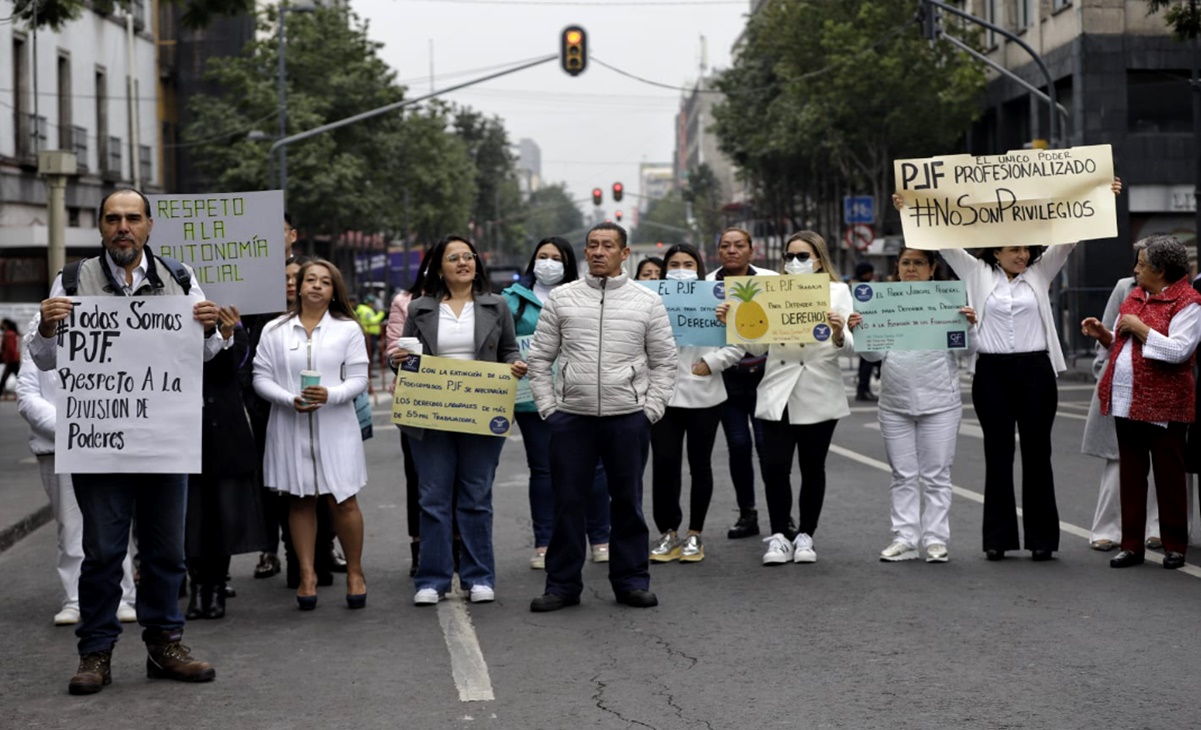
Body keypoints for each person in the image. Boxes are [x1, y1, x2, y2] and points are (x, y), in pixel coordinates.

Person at [29, 187, 221, 694]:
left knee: (165, 552)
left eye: (132, 218)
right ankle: (95, 653)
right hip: (101, 443)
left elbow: (205, 356)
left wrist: (210, 329)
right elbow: (46, 360)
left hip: (163, 441)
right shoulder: (72, 279)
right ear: (100, 227)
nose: (123, 227)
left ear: (149, 226)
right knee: (102, 551)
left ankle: (165, 645)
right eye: (113, 218)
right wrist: (48, 329)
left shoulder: (179, 278)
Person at [892, 178, 1121, 562]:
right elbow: (943, 240)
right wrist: (908, 207)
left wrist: (1101, 196)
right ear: (995, 252)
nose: (1022, 254)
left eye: (1026, 248)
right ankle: (997, 539)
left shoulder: (1040, 271)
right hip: (992, 374)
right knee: (997, 454)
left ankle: (1042, 539)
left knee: (1037, 453)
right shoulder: (977, 273)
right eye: (1014, 249)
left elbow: (1070, 238)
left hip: (1035, 372)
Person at [527, 222, 677, 612]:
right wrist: (549, 409)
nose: (598, 252)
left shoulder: (646, 301)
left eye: (607, 246)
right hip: (571, 418)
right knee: (567, 503)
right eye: (592, 245)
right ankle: (561, 585)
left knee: (627, 502)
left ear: (624, 253)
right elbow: (539, 360)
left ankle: (631, 581)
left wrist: (651, 410)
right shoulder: (562, 299)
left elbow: (664, 362)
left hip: (628, 416)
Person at [392, 235, 525, 606]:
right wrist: (397, 362)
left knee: (475, 498)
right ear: (439, 267)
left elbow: (509, 349)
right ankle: (432, 580)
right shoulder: (420, 308)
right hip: (432, 414)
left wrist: (513, 365)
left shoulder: (496, 306)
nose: (464, 262)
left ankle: (478, 576)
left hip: (481, 414)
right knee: (433, 498)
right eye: (454, 257)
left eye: (469, 256)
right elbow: (404, 355)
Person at [719, 231, 853, 566]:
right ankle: (779, 534)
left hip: (819, 387)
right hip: (778, 388)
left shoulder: (838, 292)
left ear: (819, 259)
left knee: (812, 467)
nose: (794, 262)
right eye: (789, 256)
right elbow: (758, 346)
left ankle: (806, 533)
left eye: (803, 256)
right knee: (776, 467)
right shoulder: (770, 292)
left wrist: (838, 334)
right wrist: (734, 324)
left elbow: (852, 344)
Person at [254, 259, 370, 610]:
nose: (317, 286)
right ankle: (306, 575)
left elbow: (359, 379)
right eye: (311, 280)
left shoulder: (347, 329)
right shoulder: (275, 329)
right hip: (289, 425)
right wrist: (288, 399)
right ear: (299, 286)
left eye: (325, 282)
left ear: (335, 290)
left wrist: (331, 395)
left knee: (343, 499)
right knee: (300, 499)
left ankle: (354, 572)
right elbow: (260, 378)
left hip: (337, 427)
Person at [1083, 234, 1201, 570]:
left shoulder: (1188, 302)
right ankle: (1131, 545)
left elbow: (1179, 350)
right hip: (1126, 400)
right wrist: (1104, 335)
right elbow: (1122, 343)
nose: (1136, 269)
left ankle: (1174, 544)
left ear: (1161, 270)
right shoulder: (1134, 296)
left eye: (1143, 264)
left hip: (1165, 405)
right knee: (1131, 476)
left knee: (1169, 476)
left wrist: (1141, 328)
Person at [852, 248, 976, 563]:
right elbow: (872, 356)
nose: (911, 268)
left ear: (932, 268)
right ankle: (905, 538)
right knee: (902, 474)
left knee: (936, 475)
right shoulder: (883, 303)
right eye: (906, 263)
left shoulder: (950, 302)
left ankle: (935, 540)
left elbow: (966, 353)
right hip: (894, 403)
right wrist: (860, 332)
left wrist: (971, 326)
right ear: (897, 267)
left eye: (919, 262)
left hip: (940, 404)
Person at [501, 237, 611, 570]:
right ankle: (545, 543)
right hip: (530, 399)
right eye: (542, 256)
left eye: (555, 258)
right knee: (544, 471)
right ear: (532, 262)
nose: (548, 262)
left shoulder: (585, 293)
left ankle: (601, 538)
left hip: (578, 394)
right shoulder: (509, 300)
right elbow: (501, 344)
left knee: (593, 468)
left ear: (568, 264)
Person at [16, 341, 138, 626]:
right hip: (56, 445)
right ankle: (74, 598)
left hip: (104, 440)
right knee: (69, 525)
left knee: (112, 521)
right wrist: (69, 427)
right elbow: (27, 393)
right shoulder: (40, 328)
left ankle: (121, 595)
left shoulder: (112, 317)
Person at [648, 244, 744, 564]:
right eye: (673, 263)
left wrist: (712, 362)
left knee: (700, 465)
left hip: (705, 394)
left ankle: (694, 534)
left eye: (688, 263)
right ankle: (668, 532)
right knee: (664, 465)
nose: (680, 268)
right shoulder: (650, 300)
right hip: (663, 395)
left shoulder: (716, 296)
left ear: (699, 267)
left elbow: (738, 344)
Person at [185, 305, 268, 620]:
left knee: (224, 515)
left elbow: (235, 372)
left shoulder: (237, 328)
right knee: (191, 517)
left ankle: (217, 586)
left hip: (226, 435)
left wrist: (228, 334)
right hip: (184, 434)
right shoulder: (171, 323)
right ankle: (197, 587)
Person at [706, 228, 777, 540]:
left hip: (766, 377)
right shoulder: (705, 286)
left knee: (767, 448)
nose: (731, 250)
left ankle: (780, 516)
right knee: (738, 445)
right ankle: (747, 513)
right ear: (718, 251)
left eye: (738, 245)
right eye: (725, 246)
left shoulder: (772, 282)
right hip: (728, 381)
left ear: (752, 250)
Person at [1081, 274, 1159, 551]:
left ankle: (1158, 527)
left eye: (1145, 263)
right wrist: (1102, 366)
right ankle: (1107, 529)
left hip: (1164, 382)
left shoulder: (1182, 294)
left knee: (1165, 456)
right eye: (1138, 262)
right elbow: (1107, 334)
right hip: (1122, 380)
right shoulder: (1125, 287)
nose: (1139, 269)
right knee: (1118, 457)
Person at [384, 249, 434, 578]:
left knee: (463, 481)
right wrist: (401, 357)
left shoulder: (477, 303)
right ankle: (420, 548)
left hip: (466, 405)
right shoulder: (405, 302)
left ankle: (458, 547)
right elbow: (393, 349)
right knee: (418, 478)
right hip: (417, 402)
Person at [851, 261, 880, 402]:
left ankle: (862, 390)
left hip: (866, 329)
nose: (871, 275)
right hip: (865, 329)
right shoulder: (860, 288)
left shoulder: (856, 286)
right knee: (867, 364)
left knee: (865, 363)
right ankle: (863, 390)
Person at [1, 318, 19, 398]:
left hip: (11, 359)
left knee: (6, 377)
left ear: (6, 325)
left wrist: (8, 358)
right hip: (13, 359)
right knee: (18, 376)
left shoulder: (9, 334)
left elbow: (10, 348)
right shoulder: (11, 333)